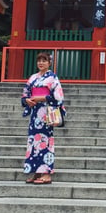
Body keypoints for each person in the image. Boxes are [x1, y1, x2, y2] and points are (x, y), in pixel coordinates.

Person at [21, 51, 65, 185]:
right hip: (35, 115)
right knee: (33, 142)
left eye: (44, 60)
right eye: (39, 60)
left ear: (49, 63)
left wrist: (43, 97)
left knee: (45, 142)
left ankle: (46, 174)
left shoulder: (52, 78)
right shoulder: (33, 77)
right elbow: (25, 94)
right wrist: (27, 100)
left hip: (46, 113)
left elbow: (58, 97)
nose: (41, 63)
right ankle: (36, 172)